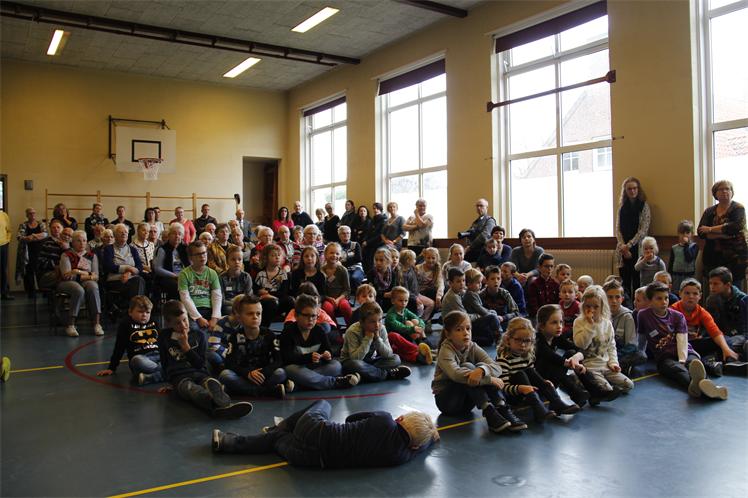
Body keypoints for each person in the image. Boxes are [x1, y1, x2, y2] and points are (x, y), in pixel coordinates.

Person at [212, 399, 439, 469]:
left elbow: (350, 419)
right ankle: (226, 442)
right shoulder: (399, 457)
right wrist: (431, 438)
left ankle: (283, 426)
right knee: (276, 441)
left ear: (400, 419)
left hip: (317, 431)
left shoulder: (385, 419)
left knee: (323, 404)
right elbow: (418, 449)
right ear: (415, 446)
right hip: (312, 460)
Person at [432, 310, 525, 433]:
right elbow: (455, 375)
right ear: (448, 334)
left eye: (468, 328)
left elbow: (497, 367)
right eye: (459, 329)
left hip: (467, 403)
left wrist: (482, 370)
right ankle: (489, 411)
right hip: (448, 403)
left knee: (481, 368)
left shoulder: (472, 346)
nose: (465, 333)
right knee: (468, 367)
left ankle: (502, 408)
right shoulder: (445, 350)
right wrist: (489, 380)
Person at [158, 300, 253, 417]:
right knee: (191, 390)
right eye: (177, 323)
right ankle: (222, 405)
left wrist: (186, 348)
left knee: (209, 384)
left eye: (184, 320)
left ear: (188, 316)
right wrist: (169, 382)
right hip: (179, 377)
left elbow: (200, 364)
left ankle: (218, 401)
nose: (183, 325)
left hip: (200, 373)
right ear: (168, 323)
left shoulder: (199, 335)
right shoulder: (164, 336)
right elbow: (164, 362)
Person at [638, 282, 727, 400]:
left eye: (666, 298)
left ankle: (703, 387)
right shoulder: (643, 315)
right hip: (665, 357)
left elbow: (682, 339)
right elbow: (642, 336)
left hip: (686, 351)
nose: (664, 302)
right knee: (678, 370)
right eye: (659, 299)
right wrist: (640, 353)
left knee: (694, 364)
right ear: (650, 301)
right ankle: (703, 388)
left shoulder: (678, 316)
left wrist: (682, 360)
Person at [497, 317, 580, 423]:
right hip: (514, 395)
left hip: (529, 391)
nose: (523, 345)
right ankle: (538, 409)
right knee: (520, 374)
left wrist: (543, 381)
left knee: (531, 371)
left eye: (527, 341)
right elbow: (504, 388)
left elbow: (532, 374)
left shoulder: (527, 355)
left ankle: (556, 402)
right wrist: (521, 388)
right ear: (508, 339)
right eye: (518, 340)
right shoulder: (503, 360)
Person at [281, 294, 360, 390]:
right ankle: (335, 382)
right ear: (296, 316)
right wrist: (308, 358)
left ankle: (298, 385)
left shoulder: (319, 330)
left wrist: (327, 355)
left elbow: (327, 350)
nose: (310, 319)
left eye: (314, 316)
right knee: (289, 369)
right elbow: (287, 359)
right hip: (298, 368)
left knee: (336, 366)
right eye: (306, 315)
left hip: (315, 368)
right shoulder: (288, 332)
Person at [218, 294, 291, 398]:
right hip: (244, 376)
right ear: (239, 317)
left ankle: (238, 391)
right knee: (225, 375)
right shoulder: (235, 337)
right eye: (250, 314)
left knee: (281, 373)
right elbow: (230, 363)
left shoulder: (269, 334)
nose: (255, 317)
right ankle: (267, 391)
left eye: (258, 313)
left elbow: (278, 360)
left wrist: (263, 372)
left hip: (263, 375)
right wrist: (247, 373)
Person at [673, 278, 745, 376]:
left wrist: (726, 349)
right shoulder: (673, 310)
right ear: (680, 294)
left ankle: (726, 362)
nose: (691, 297)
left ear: (700, 296)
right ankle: (709, 363)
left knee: (725, 341)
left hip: (694, 344)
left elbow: (715, 331)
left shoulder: (702, 312)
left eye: (695, 294)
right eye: (687, 293)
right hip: (677, 345)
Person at [573, 285, 634, 395]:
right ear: (583, 306)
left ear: (602, 307)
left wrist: (613, 363)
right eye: (588, 306)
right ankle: (589, 383)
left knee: (629, 385)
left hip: (605, 366)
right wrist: (590, 326)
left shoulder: (607, 323)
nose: (591, 310)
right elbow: (581, 344)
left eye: (596, 307)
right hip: (590, 367)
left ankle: (604, 384)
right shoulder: (579, 322)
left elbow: (611, 346)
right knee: (607, 391)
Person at [534, 305, 597, 408]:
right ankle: (575, 394)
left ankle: (594, 391)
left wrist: (576, 358)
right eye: (554, 323)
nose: (559, 326)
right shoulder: (537, 340)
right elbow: (550, 356)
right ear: (542, 326)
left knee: (571, 352)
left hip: (553, 377)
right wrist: (570, 363)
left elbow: (578, 349)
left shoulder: (556, 337)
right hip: (539, 381)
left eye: (561, 322)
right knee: (550, 362)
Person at [96, 296, 162, 385]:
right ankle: (164, 372)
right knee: (137, 360)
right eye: (140, 312)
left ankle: (154, 376)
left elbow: (162, 341)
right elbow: (119, 347)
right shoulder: (126, 324)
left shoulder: (153, 322)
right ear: (130, 312)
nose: (144, 315)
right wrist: (112, 368)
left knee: (171, 360)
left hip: (158, 355)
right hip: (142, 358)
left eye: (148, 312)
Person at [341, 301, 412, 383]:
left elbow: (389, 354)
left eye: (380, 320)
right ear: (362, 322)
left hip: (371, 362)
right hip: (351, 362)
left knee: (395, 359)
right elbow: (355, 358)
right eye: (372, 321)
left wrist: (378, 339)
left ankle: (365, 375)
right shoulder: (353, 331)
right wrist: (367, 339)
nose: (377, 325)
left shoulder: (381, 328)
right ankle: (388, 374)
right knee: (355, 365)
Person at [698, 180, 748, 290]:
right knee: (713, 289)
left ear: (732, 192)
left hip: (735, 258)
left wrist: (710, 229)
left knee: (734, 290)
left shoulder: (738, 208)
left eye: (727, 189)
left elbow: (735, 227)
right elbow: (701, 232)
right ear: (715, 193)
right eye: (721, 189)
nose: (725, 191)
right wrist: (723, 235)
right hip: (713, 258)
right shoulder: (709, 211)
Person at [58, 230, 103, 336]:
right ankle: (71, 324)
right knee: (78, 290)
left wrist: (77, 272)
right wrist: (88, 274)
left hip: (85, 281)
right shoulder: (66, 255)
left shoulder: (92, 256)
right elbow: (67, 276)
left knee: (93, 286)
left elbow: (96, 276)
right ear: (72, 242)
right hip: (67, 283)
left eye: (84, 240)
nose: (82, 243)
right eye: (78, 241)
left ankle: (97, 324)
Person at [441, 268, 499, 347]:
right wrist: (479, 315)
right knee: (492, 317)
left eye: (463, 280)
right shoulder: (452, 297)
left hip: (462, 323)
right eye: (458, 281)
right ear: (450, 283)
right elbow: (465, 317)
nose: (462, 284)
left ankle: (471, 339)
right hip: (455, 326)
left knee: (489, 339)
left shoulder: (460, 291)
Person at [615, 177, 651, 298]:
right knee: (624, 282)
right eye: (629, 189)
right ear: (625, 191)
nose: (632, 191)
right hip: (623, 249)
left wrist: (629, 245)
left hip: (637, 248)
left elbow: (644, 229)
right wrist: (623, 246)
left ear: (638, 189)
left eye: (635, 188)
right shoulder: (622, 207)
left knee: (637, 282)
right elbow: (617, 229)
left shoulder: (643, 206)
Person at [603, 279, 646, 376]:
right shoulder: (600, 314)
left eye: (617, 297)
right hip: (603, 351)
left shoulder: (627, 316)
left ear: (622, 299)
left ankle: (611, 367)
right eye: (610, 297)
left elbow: (631, 345)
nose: (614, 301)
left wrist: (614, 357)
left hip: (620, 352)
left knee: (640, 355)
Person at [178, 240, 222, 330]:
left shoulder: (212, 273)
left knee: (218, 329)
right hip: (192, 311)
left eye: (204, 253)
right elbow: (185, 298)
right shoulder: (184, 274)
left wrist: (214, 317)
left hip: (209, 310)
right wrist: (198, 318)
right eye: (198, 254)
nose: (202, 256)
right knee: (195, 330)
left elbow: (217, 296)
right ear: (191, 257)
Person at [383, 287, 433, 365]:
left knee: (414, 321)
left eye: (406, 301)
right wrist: (414, 329)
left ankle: (423, 341)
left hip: (406, 337)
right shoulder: (391, 315)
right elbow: (399, 327)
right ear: (393, 301)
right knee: (395, 337)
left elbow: (419, 319)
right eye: (400, 300)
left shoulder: (405, 311)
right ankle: (419, 351)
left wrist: (420, 326)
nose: (403, 303)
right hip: (396, 341)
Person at [705, 267, 747, 358]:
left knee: (728, 343)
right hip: (719, 336)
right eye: (710, 283)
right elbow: (710, 324)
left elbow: (743, 327)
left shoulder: (742, 300)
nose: (712, 287)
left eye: (716, 284)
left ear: (728, 285)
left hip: (739, 335)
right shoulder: (711, 300)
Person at [102, 223, 146, 304]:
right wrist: (127, 268)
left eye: (125, 232)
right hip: (115, 280)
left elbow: (139, 267)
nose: (124, 234)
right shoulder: (108, 249)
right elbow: (108, 266)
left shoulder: (133, 249)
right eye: (121, 232)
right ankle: (136, 307)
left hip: (132, 278)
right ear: (115, 235)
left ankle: (134, 307)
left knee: (140, 281)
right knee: (138, 282)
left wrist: (129, 273)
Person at [253, 243, 293, 326]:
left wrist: (268, 294)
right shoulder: (260, 273)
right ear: (266, 258)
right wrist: (266, 296)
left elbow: (283, 292)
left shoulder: (283, 274)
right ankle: (264, 327)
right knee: (271, 302)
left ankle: (288, 326)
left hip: (278, 300)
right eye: (273, 255)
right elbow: (257, 290)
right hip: (264, 302)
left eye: (279, 255)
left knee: (290, 300)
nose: (277, 257)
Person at [153, 223, 189, 300]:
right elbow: (158, 269)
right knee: (176, 285)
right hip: (168, 277)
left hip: (184, 276)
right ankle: (176, 306)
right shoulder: (162, 249)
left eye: (179, 234)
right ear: (169, 235)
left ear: (182, 236)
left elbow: (190, 265)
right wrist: (175, 276)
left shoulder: (186, 248)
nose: (177, 236)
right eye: (174, 233)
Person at [16, 207, 47, 297]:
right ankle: (31, 293)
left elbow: (45, 234)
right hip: (27, 252)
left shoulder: (41, 224)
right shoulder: (23, 225)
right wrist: (36, 237)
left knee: (40, 272)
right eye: (30, 213)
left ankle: (44, 291)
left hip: (40, 252)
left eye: (33, 213)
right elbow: (20, 237)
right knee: (28, 273)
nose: (32, 215)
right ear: (27, 215)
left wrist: (32, 236)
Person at [463, 268, 500, 343]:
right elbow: (479, 308)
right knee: (492, 316)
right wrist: (489, 313)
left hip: (478, 318)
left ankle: (492, 333)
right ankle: (499, 335)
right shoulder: (470, 295)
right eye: (478, 283)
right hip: (473, 322)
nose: (480, 285)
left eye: (480, 282)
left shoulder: (474, 293)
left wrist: (490, 312)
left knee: (493, 313)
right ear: (469, 284)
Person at [320, 242, 352, 325]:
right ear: (325, 255)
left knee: (345, 306)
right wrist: (329, 298)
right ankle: (334, 326)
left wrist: (338, 299)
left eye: (337, 253)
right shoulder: (321, 271)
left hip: (341, 297)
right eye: (331, 253)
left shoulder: (343, 270)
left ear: (340, 256)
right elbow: (321, 291)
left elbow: (347, 290)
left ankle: (351, 325)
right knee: (327, 308)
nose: (334, 255)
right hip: (327, 299)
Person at [480, 265, 520, 331]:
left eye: (498, 278)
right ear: (486, 281)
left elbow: (516, 312)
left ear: (501, 280)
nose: (496, 281)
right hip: (488, 325)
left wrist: (503, 318)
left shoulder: (505, 294)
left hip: (504, 322)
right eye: (492, 279)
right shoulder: (481, 295)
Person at [219, 246, 254, 316]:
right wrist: (235, 304)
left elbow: (249, 296)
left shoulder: (246, 277)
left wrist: (241, 304)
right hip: (228, 305)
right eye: (233, 259)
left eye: (239, 259)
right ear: (227, 261)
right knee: (229, 309)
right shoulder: (222, 278)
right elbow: (222, 300)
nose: (237, 262)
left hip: (244, 304)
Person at [458, 198, 496, 263]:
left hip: (484, 250)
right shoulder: (476, 222)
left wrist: (470, 247)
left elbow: (484, 236)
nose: (478, 208)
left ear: (486, 208)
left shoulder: (490, 220)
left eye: (481, 206)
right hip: (475, 250)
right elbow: (470, 234)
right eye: (477, 206)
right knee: (457, 256)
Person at [35, 219, 68, 291]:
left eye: (58, 227)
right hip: (50, 272)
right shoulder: (45, 243)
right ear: (50, 229)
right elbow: (40, 262)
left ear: (62, 228)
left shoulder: (68, 241)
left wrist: (67, 248)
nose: (56, 229)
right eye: (53, 227)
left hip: (66, 271)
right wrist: (56, 265)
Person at [668, 220, 699, 292]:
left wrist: (686, 245)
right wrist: (669, 276)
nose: (685, 235)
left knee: (687, 291)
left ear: (691, 234)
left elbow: (689, 258)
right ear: (678, 234)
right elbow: (671, 263)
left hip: (688, 275)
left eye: (687, 233)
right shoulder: (674, 248)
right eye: (682, 233)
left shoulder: (694, 246)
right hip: (676, 275)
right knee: (677, 291)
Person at [526, 253, 559, 320]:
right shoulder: (534, 285)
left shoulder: (556, 285)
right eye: (546, 266)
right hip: (539, 317)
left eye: (551, 266)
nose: (549, 269)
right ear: (539, 267)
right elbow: (533, 307)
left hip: (553, 316)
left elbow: (558, 304)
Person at [415, 247, 444, 316]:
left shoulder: (437, 269)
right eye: (428, 258)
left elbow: (441, 284)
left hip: (429, 292)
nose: (431, 260)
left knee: (438, 290)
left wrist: (438, 297)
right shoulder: (418, 268)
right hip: (418, 291)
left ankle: (433, 315)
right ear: (424, 258)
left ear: (437, 259)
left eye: (433, 258)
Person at [337, 225, 364, 292]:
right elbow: (337, 260)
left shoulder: (355, 244)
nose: (346, 235)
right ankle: (347, 296)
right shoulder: (337, 246)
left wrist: (344, 260)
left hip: (356, 268)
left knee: (355, 278)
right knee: (346, 279)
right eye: (343, 233)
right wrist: (350, 259)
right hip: (344, 269)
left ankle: (358, 295)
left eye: (348, 233)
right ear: (339, 235)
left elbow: (359, 259)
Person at [363, 202, 387, 271]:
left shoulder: (383, 220)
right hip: (369, 243)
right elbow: (369, 231)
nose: (375, 210)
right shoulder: (373, 219)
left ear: (380, 209)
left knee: (372, 262)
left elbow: (379, 234)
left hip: (377, 243)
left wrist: (367, 242)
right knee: (366, 261)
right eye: (374, 208)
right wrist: (365, 240)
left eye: (377, 208)